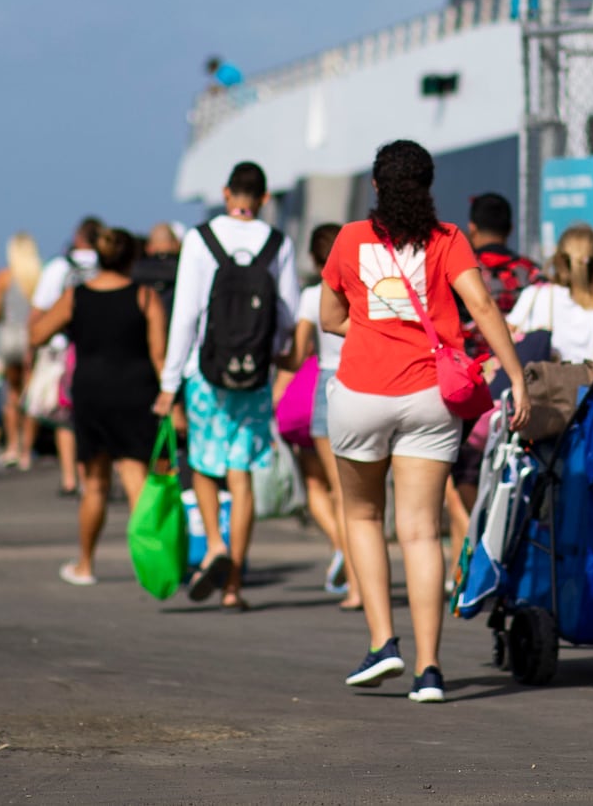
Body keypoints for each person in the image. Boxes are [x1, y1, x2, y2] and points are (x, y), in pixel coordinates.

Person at [320, 139, 531, 704]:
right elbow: (483, 309)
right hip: (430, 398)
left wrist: (372, 332)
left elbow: (328, 316)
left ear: (376, 186)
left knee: (364, 517)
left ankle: (381, 641)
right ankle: (430, 669)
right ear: (428, 187)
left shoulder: (348, 239)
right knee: (420, 531)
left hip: (361, 393)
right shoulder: (449, 240)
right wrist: (513, 375)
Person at [154, 162, 296, 610]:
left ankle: (214, 543)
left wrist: (169, 380)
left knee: (204, 463)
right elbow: (287, 316)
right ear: (264, 197)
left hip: (205, 373)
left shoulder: (200, 239)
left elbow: (186, 314)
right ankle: (233, 583)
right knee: (242, 472)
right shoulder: (278, 243)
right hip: (253, 375)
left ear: (225, 191)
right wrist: (270, 353)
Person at [23, 225, 167, 586]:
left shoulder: (76, 297)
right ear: (133, 258)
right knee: (136, 479)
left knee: (96, 484)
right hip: (137, 392)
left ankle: (85, 564)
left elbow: (37, 334)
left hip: (92, 393)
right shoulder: (146, 298)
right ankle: (150, 563)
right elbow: (159, 356)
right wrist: (171, 400)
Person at [447, 192, 542, 534]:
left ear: (472, 228)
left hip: (471, 384)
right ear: (511, 228)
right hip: (518, 383)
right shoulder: (531, 273)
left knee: (464, 474)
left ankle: (482, 537)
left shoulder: (463, 269)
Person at [290, 222, 355, 605]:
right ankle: (353, 555)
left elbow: (297, 354)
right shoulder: (360, 289)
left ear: (315, 260)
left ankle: (346, 555)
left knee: (334, 489)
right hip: (368, 379)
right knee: (363, 492)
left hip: (328, 386)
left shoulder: (312, 296)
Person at [33, 220, 104, 496]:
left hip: (64, 351)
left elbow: (39, 312)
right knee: (96, 414)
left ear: (77, 237)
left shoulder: (59, 268)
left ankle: (70, 478)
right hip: (102, 350)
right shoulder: (106, 266)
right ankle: (94, 475)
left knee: (66, 417)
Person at [506, 224, 593, 363]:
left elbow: (503, 339)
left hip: (538, 382)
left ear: (559, 259)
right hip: (586, 383)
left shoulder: (534, 295)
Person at [0, 233, 44, 470]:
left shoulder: (3, 277)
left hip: (9, 336)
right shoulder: (38, 277)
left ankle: (12, 445)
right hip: (32, 336)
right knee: (31, 396)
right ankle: (27, 451)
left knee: (11, 393)